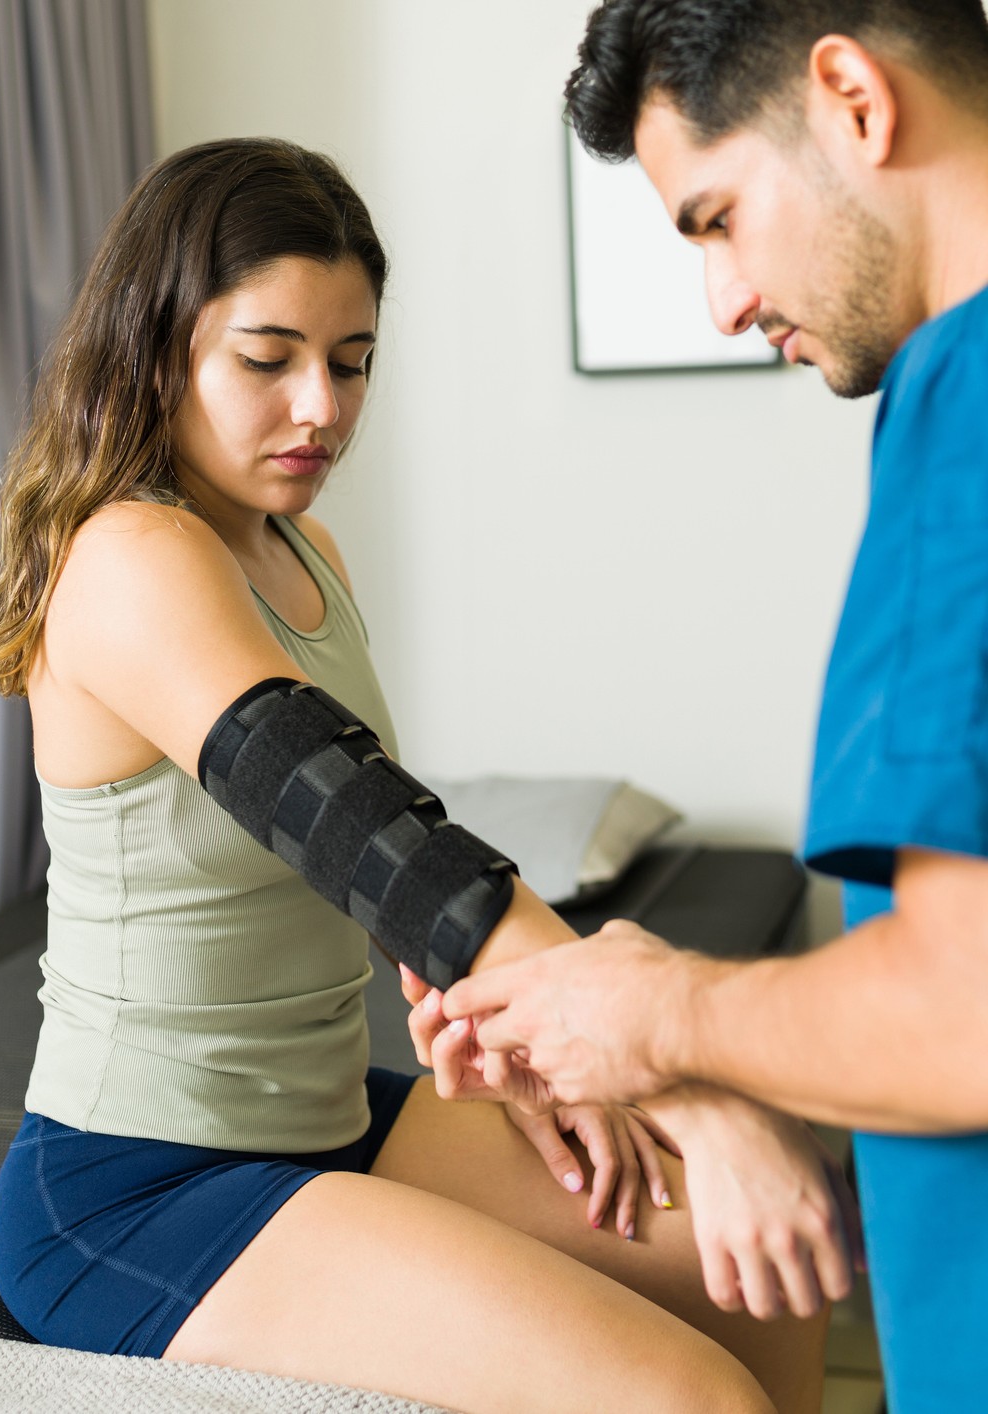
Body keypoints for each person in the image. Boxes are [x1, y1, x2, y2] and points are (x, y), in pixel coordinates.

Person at [0, 135, 853, 1414]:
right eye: (266, 360)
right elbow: (360, 824)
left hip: (332, 1113)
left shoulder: (301, 547)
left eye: (350, 363)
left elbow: (332, 853)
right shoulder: (125, 555)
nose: (320, 410)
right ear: (156, 341)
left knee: (752, 1272)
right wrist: (656, 1069)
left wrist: (499, 1026)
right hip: (142, 1185)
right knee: (684, 1396)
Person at [439, 3, 988, 1409]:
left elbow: (963, 1015)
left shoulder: (963, 412)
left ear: (855, 100)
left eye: (716, 218)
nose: (726, 301)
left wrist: (666, 1014)